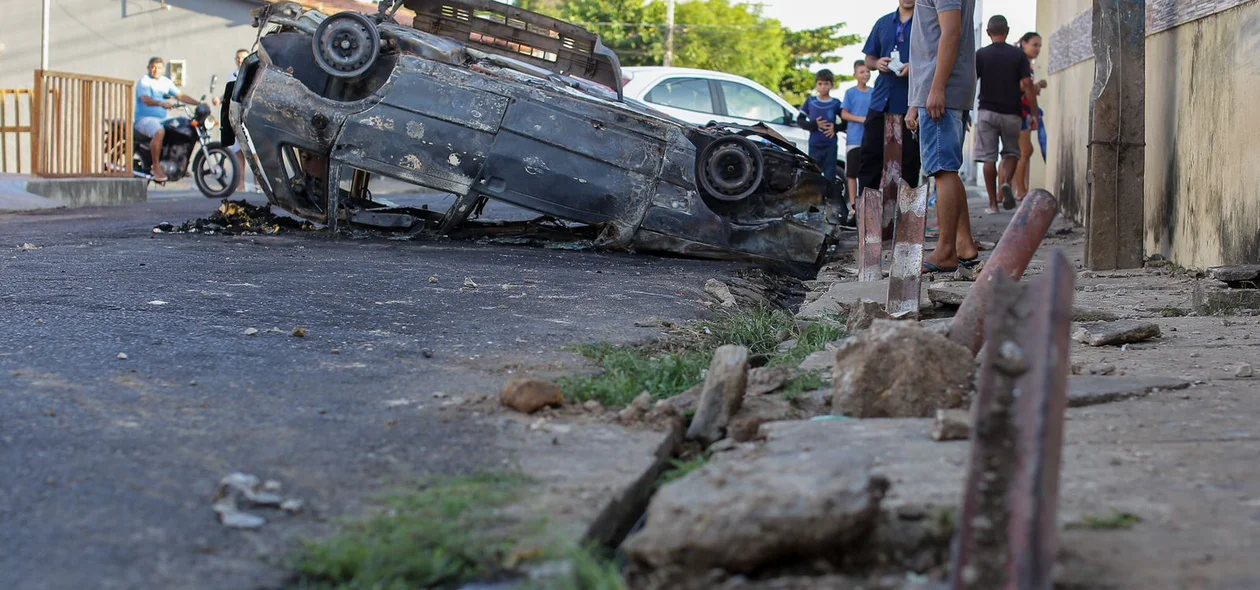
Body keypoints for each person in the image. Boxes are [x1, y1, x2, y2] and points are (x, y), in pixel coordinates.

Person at [906, 0, 978, 273]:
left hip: (941, 89)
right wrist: (917, 98)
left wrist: (935, 89)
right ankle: (963, 244)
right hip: (940, 88)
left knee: (943, 169)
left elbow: (951, 32)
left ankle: (946, 251)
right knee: (947, 168)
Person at [858, 0, 922, 213]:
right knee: (870, 155)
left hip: (911, 98)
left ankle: (907, 216)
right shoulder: (883, 23)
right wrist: (877, 64)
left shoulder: (926, 21)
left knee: (911, 160)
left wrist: (915, 67)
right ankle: (866, 213)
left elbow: (934, 57)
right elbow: (868, 58)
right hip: (881, 98)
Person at [973, 15, 1037, 213]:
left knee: (989, 158)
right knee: (1012, 153)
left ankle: (993, 204)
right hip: (1011, 113)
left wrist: (966, 109)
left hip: (987, 112)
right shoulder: (1018, 56)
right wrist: (1034, 113)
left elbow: (972, 81)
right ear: (1007, 31)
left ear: (988, 32)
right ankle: (1006, 183)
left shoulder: (981, 55)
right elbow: (1027, 84)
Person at [135, 57, 200, 182]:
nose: (156, 70)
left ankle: (180, 163)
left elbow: (180, 96)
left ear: (163, 69)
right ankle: (156, 166)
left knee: (182, 128)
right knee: (159, 131)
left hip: (163, 118)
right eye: (153, 67)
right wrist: (161, 103)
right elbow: (145, 99)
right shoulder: (144, 81)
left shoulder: (166, 82)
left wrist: (198, 103)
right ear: (148, 68)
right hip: (145, 119)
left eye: (159, 67)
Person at [797, 69, 846, 221]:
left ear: (831, 85)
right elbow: (800, 120)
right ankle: (812, 208)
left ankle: (829, 210)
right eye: (820, 84)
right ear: (816, 85)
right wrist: (814, 124)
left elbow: (844, 121)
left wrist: (835, 128)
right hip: (815, 144)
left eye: (826, 83)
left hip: (830, 145)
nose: (823, 87)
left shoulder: (836, 103)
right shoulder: (811, 102)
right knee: (813, 175)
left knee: (830, 177)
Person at [1015, 32, 1047, 203]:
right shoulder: (1021, 61)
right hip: (1020, 112)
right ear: (1024, 43)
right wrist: (1036, 86)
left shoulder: (1025, 62)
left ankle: (1010, 190)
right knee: (1025, 151)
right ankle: (1021, 191)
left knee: (1015, 154)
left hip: (1021, 111)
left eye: (1040, 46)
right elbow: (1021, 86)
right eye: (1035, 45)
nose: (1038, 49)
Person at [841, 60, 872, 227]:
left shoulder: (874, 92)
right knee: (851, 175)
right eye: (862, 72)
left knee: (868, 174)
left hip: (870, 140)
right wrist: (862, 119)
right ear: (855, 75)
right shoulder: (850, 93)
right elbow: (844, 114)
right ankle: (853, 208)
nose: (865, 74)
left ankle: (867, 207)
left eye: (867, 71)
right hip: (854, 140)